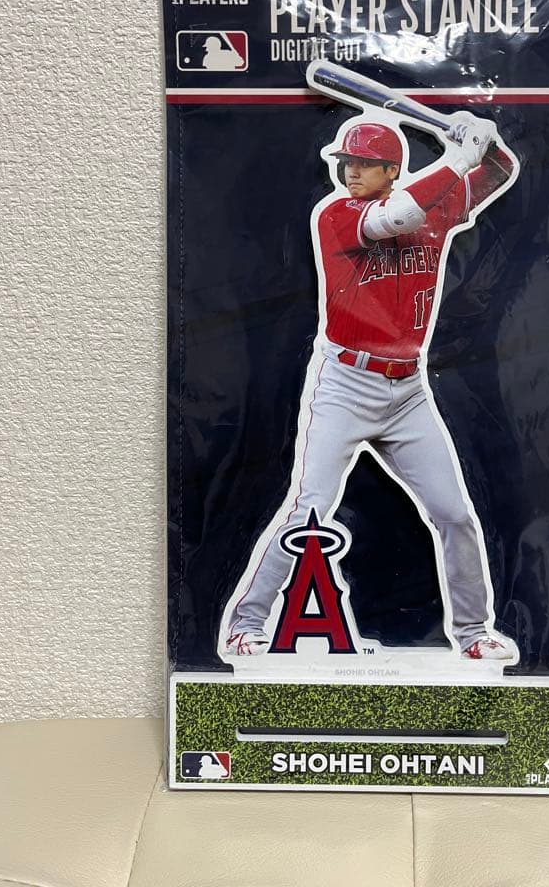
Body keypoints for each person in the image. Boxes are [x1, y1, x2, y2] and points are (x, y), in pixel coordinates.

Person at [218, 110, 520, 662]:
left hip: (408, 391)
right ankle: (247, 622)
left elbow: (501, 171)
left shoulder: (437, 206)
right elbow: (398, 217)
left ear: (392, 169)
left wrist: (484, 137)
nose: (351, 171)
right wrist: (458, 156)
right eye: (347, 162)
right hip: (345, 383)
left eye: (364, 163)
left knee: (455, 514)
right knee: (309, 509)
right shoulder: (337, 215)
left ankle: (475, 632)